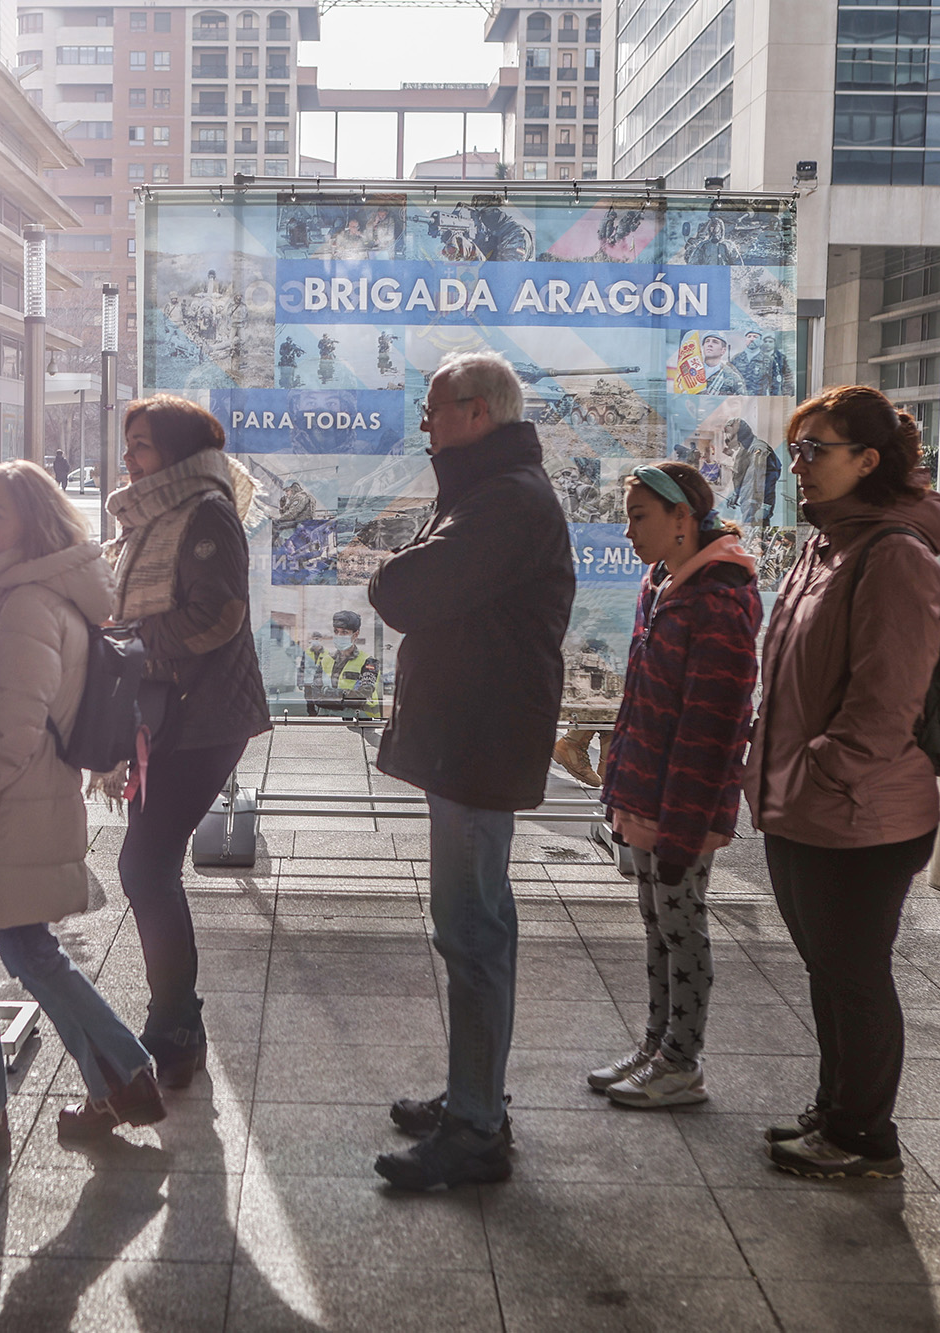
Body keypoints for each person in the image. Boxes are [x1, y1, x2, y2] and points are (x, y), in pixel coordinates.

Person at [0, 461, 163, 1165]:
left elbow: (8, 734)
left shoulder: (24, 603)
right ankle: (122, 1073)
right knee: (25, 947)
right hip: (23, 809)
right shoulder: (40, 592)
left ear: (34, 522)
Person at [369, 350, 575, 1189]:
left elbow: (405, 590)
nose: (426, 427)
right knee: (480, 926)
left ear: (478, 411)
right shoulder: (489, 493)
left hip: (479, 744)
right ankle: (473, 1096)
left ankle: (478, 1126)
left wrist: (390, 566)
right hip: (474, 738)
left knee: (472, 932)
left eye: (434, 411)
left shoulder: (504, 501)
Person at [744, 384, 940, 1180]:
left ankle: (865, 1136)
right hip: (806, 800)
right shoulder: (825, 543)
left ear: (868, 460)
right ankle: (834, 1111)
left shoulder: (893, 554)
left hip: (860, 810)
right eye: (797, 450)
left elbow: (884, 701)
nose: (799, 465)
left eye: (814, 450)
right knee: (829, 970)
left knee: (855, 975)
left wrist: (820, 767)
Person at [105, 394, 271, 1087]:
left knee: (145, 864)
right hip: (168, 712)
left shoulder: (204, 511)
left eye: (141, 445)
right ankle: (175, 1017)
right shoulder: (159, 514)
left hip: (203, 718)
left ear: (174, 451)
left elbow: (219, 614)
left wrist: (137, 642)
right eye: (129, 444)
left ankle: (176, 1022)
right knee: (146, 864)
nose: (128, 458)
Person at [592, 462, 761, 1109]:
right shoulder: (662, 581)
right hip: (646, 794)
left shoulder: (719, 597)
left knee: (682, 929)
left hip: (680, 806)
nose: (628, 529)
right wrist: (620, 789)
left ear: (682, 521)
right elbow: (642, 696)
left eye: (639, 516)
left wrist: (682, 828)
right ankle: (656, 1045)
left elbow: (713, 724)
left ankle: (682, 1061)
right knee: (656, 927)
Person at [298, 608, 380, 718]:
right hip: (327, 722)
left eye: (344, 632)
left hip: (357, 724)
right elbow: (316, 696)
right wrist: (346, 695)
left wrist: (327, 693)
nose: (339, 635)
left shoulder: (369, 662)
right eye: (336, 631)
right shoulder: (326, 660)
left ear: (356, 634)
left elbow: (360, 698)